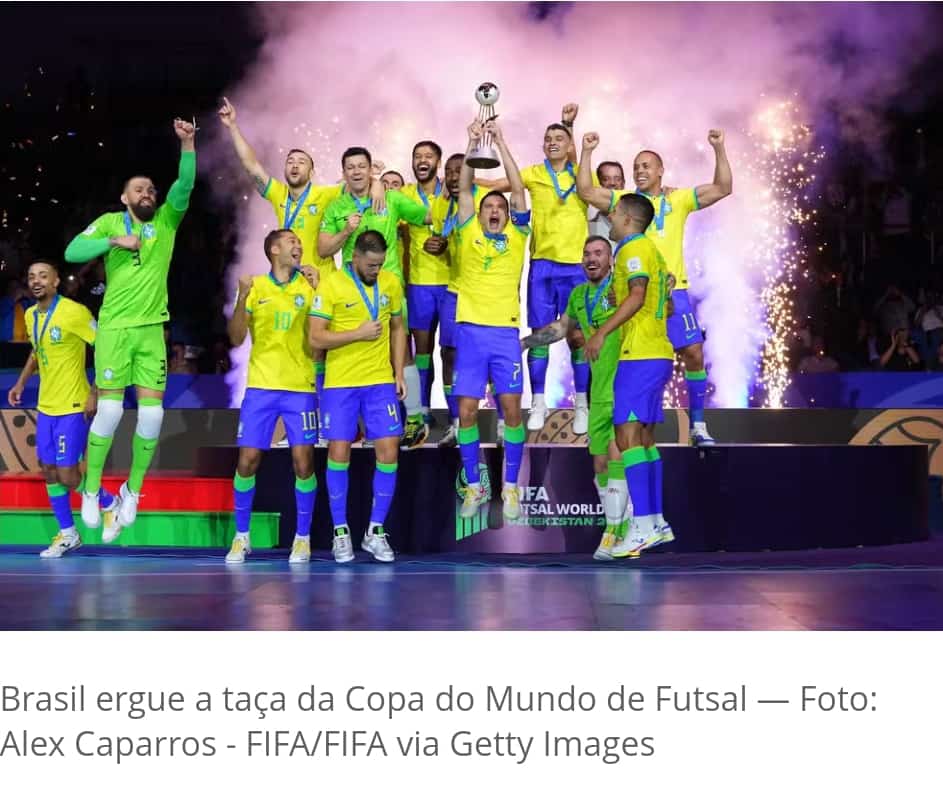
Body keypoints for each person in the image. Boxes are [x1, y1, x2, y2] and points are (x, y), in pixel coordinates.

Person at [64, 118, 196, 542]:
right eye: (139, 189)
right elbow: (71, 252)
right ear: (124, 197)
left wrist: (189, 144)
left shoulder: (166, 224)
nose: (147, 194)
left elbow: (186, 184)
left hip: (151, 331)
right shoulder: (108, 223)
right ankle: (90, 489)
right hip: (115, 330)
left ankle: (131, 490)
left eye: (151, 190)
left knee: (154, 415)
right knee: (109, 410)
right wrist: (113, 243)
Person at [217, 97, 385, 426]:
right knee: (300, 349)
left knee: (323, 348)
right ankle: (299, 419)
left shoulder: (325, 195)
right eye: (290, 161)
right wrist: (234, 126)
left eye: (302, 162)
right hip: (289, 283)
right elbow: (252, 166)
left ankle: (334, 421)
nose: (294, 165)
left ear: (312, 171)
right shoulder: (278, 194)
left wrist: (377, 179)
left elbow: (360, 182)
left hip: (322, 281)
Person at [580, 130, 732, 446]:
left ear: (661, 170)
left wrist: (718, 147)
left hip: (674, 291)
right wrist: (586, 151)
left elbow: (723, 188)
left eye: (646, 165)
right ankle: (624, 427)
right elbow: (584, 190)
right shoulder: (626, 203)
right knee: (634, 360)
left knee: (694, 352)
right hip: (635, 292)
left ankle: (698, 426)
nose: (639, 171)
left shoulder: (677, 199)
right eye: (636, 166)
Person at [580, 133, 676, 556]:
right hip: (658, 353)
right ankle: (655, 521)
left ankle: (638, 526)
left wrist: (601, 332)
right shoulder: (648, 251)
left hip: (639, 356)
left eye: (614, 212)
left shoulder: (634, 248)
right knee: (647, 440)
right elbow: (664, 302)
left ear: (628, 218)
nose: (611, 216)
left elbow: (638, 297)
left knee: (626, 436)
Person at [478, 104, 592, 434]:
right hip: (543, 266)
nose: (552, 142)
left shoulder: (581, 174)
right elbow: (502, 181)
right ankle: (538, 401)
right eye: (548, 138)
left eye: (559, 138)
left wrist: (572, 127)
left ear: (569, 144)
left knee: (578, 337)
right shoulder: (532, 173)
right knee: (539, 337)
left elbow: (587, 179)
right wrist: (466, 180)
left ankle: (581, 402)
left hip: (576, 268)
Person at [318, 146, 433, 449]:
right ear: (343, 173)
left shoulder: (390, 198)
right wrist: (345, 231)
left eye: (361, 167)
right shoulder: (336, 207)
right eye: (350, 167)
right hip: (349, 293)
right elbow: (323, 249)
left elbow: (427, 215)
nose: (356, 172)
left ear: (371, 170)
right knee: (351, 350)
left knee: (402, 349)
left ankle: (414, 419)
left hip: (388, 289)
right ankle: (361, 427)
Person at [523, 236, 629, 560]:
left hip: (622, 385)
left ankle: (616, 533)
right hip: (597, 392)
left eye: (598, 253)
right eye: (586, 254)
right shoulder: (580, 295)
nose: (591, 258)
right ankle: (621, 521)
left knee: (614, 456)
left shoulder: (622, 288)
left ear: (610, 260)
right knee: (599, 462)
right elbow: (560, 328)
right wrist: (523, 343)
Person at [7, 261, 117, 557]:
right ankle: (68, 533)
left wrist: (96, 391)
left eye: (43, 276)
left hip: (73, 404)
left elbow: (106, 347)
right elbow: (37, 350)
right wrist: (20, 384)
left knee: (68, 474)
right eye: (31, 276)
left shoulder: (74, 312)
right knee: (48, 470)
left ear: (56, 282)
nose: (36, 281)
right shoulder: (31, 315)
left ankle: (109, 503)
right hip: (46, 406)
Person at [309, 230, 407, 563]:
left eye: (380, 265)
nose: (376, 271)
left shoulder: (391, 283)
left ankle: (375, 531)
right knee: (338, 451)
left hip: (379, 381)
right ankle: (340, 532)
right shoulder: (332, 284)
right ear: (355, 258)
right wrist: (358, 333)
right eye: (371, 265)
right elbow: (316, 338)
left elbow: (398, 327)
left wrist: (398, 372)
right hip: (341, 383)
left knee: (389, 450)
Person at [225, 229, 319, 564]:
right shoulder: (256, 287)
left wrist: (319, 292)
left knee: (303, 463)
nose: (299, 245)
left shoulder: (308, 287)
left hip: (300, 388)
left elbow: (323, 336)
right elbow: (236, 339)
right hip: (261, 388)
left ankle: (303, 539)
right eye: (292, 241)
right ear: (274, 249)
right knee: (247, 461)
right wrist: (241, 297)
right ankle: (242, 536)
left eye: (299, 241)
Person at [452, 119, 529, 521]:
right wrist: (471, 144)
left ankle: (511, 487)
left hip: (504, 334)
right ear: (479, 215)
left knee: (512, 412)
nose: (496, 210)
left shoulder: (517, 235)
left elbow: (518, 189)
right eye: (490, 208)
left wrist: (501, 141)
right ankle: (476, 486)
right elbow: (465, 188)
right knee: (465, 412)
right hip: (469, 332)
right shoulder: (468, 232)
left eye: (500, 208)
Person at [427, 153, 487, 446]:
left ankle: (499, 419)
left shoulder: (488, 199)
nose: (452, 177)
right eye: (448, 172)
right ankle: (454, 422)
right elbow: (444, 237)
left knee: (489, 355)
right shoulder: (440, 203)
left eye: (458, 172)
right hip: (454, 288)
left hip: (485, 292)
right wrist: (436, 246)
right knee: (448, 354)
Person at [401, 141, 451, 427]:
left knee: (450, 351)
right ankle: (420, 409)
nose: (422, 160)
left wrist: (447, 242)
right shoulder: (403, 194)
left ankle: (455, 414)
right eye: (417, 156)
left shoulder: (452, 192)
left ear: (438, 161)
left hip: (451, 282)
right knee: (422, 350)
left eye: (428, 156)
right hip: (418, 284)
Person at [588, 161, 626, 247]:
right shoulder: (589, 228)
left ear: (623, 184)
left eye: (617, 179)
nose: (612, 183)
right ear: (598, 185)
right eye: (606, 179)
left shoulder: (637, 224)